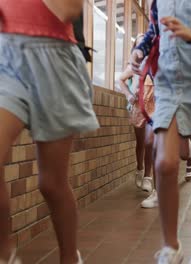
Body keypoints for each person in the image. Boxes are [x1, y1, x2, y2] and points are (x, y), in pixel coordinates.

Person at [0, 0, 99, 263]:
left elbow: (70, 8)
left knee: (52, 183)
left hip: (52, 57)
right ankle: (5, 253)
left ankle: (69, 257)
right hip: (6, 56)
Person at [130, 0, 191, 263]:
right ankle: (171, 246)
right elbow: (152, 31)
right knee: (164, 163)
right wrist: (138, 51)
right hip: (169, 86)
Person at [119, 35, 191, 209]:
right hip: (153, 110)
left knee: (182, 152)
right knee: (150, 142)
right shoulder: (142, 63)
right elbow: (125, 78)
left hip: (174, 105)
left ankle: (188, 155)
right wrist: (132, 92)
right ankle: (157, 191)